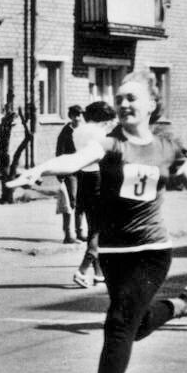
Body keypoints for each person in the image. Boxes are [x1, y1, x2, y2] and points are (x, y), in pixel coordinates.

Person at [9, 69, 187, 373]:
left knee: (119, 323)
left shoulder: (166, 147)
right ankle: (181, 304)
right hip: (113, 252)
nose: (123, 104)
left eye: (131, 98)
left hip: (152, 252)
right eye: (119, 99)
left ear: (151, 104)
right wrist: (41, 169)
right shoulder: (110, 144)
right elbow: (74, 160)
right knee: (133, 325)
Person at [71, 101, 115, 288]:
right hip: (98, 178)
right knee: (99, 229)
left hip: (83, 178)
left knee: (93, 226)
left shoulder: (77, 131)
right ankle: (82, 270)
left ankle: (98, 274)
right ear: (103, 119)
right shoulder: (100, 133)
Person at [55, 105, 86, 244]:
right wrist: (60, 172)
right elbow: (59, 153)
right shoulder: (66, 132)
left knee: (81, 201)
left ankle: (80, 232)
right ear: (71, 116)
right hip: (70, 171)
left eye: (80, 115)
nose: (78, 118)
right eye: (75, 115)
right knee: (70, 200)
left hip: (83, 170)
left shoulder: (83, 131)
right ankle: (68, 234)